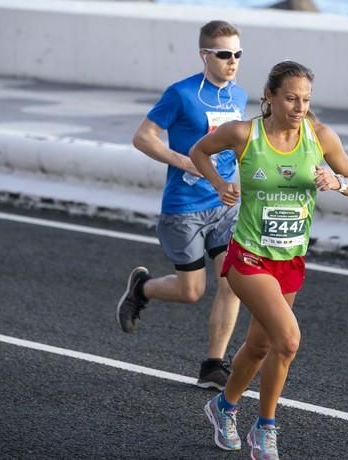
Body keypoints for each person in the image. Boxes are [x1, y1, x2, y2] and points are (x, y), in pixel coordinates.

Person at [191, 60, 348, 459]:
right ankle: (264, 428)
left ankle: (223, 407)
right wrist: (219, 184)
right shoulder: (243, 134)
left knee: (259, 346)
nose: (299, 106)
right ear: (269, 96)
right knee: (288, 339)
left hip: (291, 260)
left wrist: (336, 182)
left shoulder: (319, 137)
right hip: (248, 257)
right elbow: (199, 151)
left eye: (305, 99)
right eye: (290, 98)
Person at [116, 20, 248, 391]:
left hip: (223, 204)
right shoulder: (181, 94)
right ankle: (142, 289)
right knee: (192, 291)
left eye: (238, 54)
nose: (232, 61)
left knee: (232, 282)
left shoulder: (238, 96)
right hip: (185, 208)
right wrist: (185, 161)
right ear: (204, 55)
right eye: (224, 54)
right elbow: (143, 138)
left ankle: (212, 365)